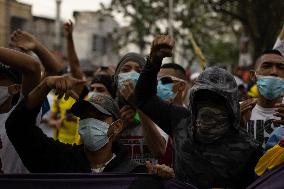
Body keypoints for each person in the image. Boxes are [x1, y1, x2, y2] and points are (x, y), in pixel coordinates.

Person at [134, 35, 261, 188]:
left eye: (217, 101)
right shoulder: (181, 120)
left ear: (231, 105)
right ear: (194, 101)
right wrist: (154, 60)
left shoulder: (248, 146)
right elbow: (144, 98)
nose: (208, 107)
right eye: (203, 99)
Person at [5, 75, 147, 173]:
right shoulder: (60, 160)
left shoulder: (133, 172)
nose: (90, 123)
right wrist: (45, 84)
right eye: (85, 117)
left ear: (117, 127)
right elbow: (17, 128)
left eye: (99, 117)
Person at [113, 52, 168, 164]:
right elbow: (93, 150)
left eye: (139, 71)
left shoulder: (158, 110)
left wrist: (139, 106)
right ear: (116, 77)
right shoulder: (107, 110)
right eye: (126, 70)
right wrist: (119, 127)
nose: (132, 74)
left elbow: (159, 151)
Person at [0, 47, 41, 173]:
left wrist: (36, 45)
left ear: (16, 88)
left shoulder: (20, 116)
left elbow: (33, 68)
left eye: (0, 81)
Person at [242, 50, 284, 147]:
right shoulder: (239, 110)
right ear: (253, 75)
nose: (274, 72)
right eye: (267, 66)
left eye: (281, 68)